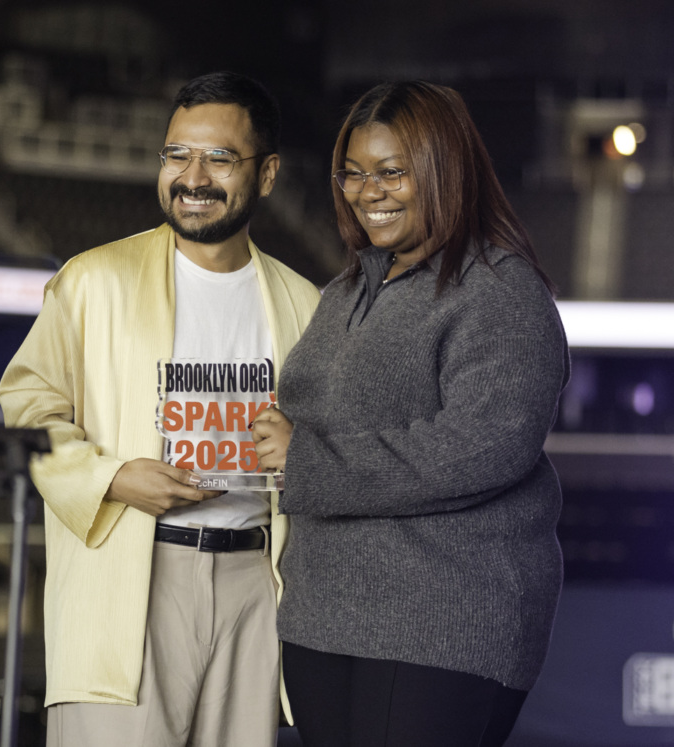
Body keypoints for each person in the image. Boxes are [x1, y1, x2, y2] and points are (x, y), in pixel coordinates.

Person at [0, 71, 321, 747]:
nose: (192, 177)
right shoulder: (94, 279)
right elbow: (28, 403)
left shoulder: (304, 302)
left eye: (219, 158)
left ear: (266, 175)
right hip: (133, 568)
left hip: (255, 581)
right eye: (177, 154)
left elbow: (327, 441)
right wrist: (112, 477)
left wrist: (303, 449)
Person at [251, 80, 570, 747]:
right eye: (353, 173)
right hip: (322, 616)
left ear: (444, 170)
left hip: (442, 620)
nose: (368, 192)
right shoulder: (345, 291)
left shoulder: (499, 290)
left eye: (392, 172)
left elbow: (485, 444)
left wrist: (308, 459)